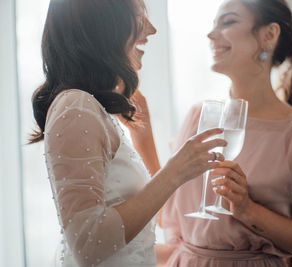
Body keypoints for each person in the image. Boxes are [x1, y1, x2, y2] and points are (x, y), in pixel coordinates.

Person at [29, 0, 228, 266]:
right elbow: (88, 244)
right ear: (105, 24)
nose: (153, 30)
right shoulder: (76, 107)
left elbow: (134, 232)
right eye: (140, 16)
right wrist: (175, 172)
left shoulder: (92, 109)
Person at [160, 0, 292, 266]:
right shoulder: (198, 117)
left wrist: (247, 210)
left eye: (228, 22)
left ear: (269, 35)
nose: (211, 35)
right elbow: (169, 217)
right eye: (213, 25)